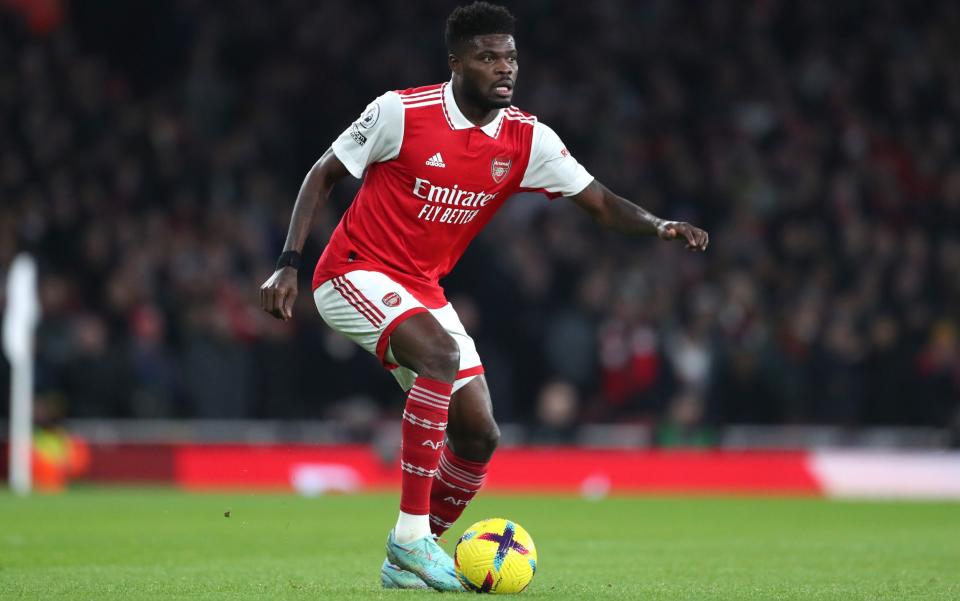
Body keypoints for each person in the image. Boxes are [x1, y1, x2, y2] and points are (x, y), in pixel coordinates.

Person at [259, 1, 709, 591]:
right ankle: (411, 537)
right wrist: (288, 264)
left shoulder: (526, 139)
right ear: (457, 64)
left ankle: (410, 558)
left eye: (511, 57)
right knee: (441, 358)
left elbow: (599, 201)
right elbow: (322, 174)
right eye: (488, 56)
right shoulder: (400, 112)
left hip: (421, 287)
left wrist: (657, 225)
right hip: (350, 272)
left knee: (479, 434)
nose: (505, 68)